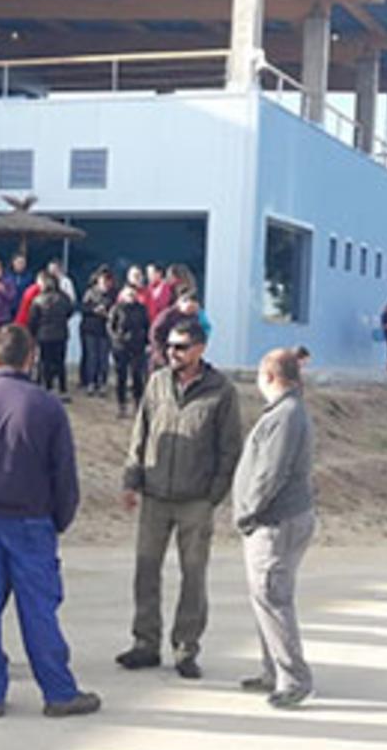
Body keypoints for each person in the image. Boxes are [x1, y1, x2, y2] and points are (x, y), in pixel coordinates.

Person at [0, 326, 100, 719]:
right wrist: (60, 519)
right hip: (31, 520)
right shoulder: (46, 406)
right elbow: (63, 472)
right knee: (39, 609)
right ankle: (58, 692)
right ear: (30, 357)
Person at [118, 318, 243, 680]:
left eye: (181, 347)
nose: (172, 353)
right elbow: (139, 434)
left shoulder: (221, 391)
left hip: (195, 500)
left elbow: (229, 449)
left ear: (201, 348)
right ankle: (145, 643)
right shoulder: (157, 383)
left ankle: (186, 648)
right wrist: (132, 480)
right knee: (145, 572)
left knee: (193, 576)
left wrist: (212, 497)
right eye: (169, 346)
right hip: (155, 495)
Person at [232, 348, 318, 710]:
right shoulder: (288, 411)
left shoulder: (286, 416)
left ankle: (294, 678)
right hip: (278, 519)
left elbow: (271, 473)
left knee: (272, 596)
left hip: (275, 521)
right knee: (267, 598)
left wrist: (248, 511)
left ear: (269, 377)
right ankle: (273, 670)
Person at [26, 271, 75, 396]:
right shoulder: (64, 297)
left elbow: (33, 319)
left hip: (44, 336)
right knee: (60, 362)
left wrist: (32, 333)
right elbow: (70, 312)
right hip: (61, 334)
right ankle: (63, 389)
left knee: (45, 362)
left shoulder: (38, 300)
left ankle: (48, 388)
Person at [108, 285, 151, 419]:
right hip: (121, 347)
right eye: (128, 294)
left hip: (138, 347)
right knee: (121, 377)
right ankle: (122, 406)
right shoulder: (117, 308)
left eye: (133, 294)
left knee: (137, 377)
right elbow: (110, 327)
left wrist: (147, 342)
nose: (131, 297)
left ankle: (138, 406)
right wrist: (117, 339)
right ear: (123, 295)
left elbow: (147, 326)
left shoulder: (142, 309)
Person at [79, 267, 116, 398]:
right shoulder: (90, 293)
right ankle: (91, 382)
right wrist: (94, 310)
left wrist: (107, 313)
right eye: (103, 280)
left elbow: (116, 311)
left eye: (108, 281)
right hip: (90, 329)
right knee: (92, 357)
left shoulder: (114, 294)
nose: (105, 284)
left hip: (105, 331)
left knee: (103, 358)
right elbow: (83, 308)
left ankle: (102, 383)